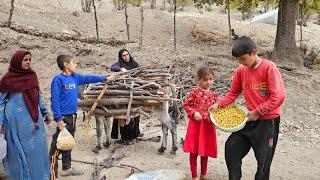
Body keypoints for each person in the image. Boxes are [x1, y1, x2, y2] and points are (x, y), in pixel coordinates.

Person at [210, 36, 286, 180]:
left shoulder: (269, 68)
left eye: (243, 58)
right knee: (232, 147)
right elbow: (233, 93)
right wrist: (218, 104)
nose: (240, 63)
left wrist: (258, 111)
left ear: (254, 52)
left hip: (267, 122)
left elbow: (279, 96)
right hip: (248, 119)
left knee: (264, 161)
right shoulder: (241, 70)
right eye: (238, 60)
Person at [49, 54, 115, 179]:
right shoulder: (58, 80)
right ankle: (51, 174)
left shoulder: (75, 77)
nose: (76, 65)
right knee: (56, 147)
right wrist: (58, 119)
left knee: (68, 143)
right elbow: (55, 100)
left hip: (73, 116)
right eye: (73, 62)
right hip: (63, 118)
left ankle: (67, 169)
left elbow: (89, 78)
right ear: (66, 65)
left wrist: (105, 78)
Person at [0, 50, 52, 180]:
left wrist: (45, 112)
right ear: (17, 61)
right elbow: (1, 102)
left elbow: (38, 96)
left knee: (38, 151)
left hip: (34, 121)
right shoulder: (7, 80)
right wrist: (0, 122)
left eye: (29, 59)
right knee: (20, 151)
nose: (28, 62)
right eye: (25, 60)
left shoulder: (32, 76)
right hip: (17, 123)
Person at [183, 66, 218, 180]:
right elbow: (186, 105)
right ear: (198, 79)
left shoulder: (213, 95)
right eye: (205, 79)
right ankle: (194, 176)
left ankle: (203, 174)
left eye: (211, 79)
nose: (209, 82)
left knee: (205, 150)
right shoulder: (194, 92)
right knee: (194, 151)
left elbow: (217, 109)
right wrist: (193, 113)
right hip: (196, 126)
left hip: (208, 126)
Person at [109, 49, 143, 145]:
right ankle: (125, 137)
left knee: (135, 114)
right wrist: (120, 69)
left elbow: (139, 73)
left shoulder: (134, 64)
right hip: (123, 93)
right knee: (123, 115)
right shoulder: (119, 64)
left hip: (134, 91)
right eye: (123, 55)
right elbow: (112, 67)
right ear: (121, 57)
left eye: (127, 54)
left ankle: (135, 134)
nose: (126, 57)